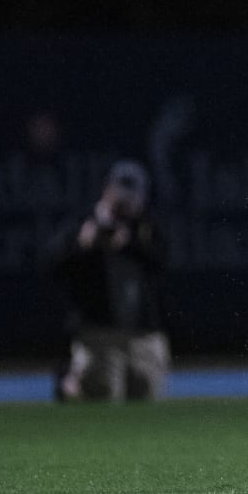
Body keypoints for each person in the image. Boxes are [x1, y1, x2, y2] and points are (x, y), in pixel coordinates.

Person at [44, 160, 171, 402]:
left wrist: (129, 244)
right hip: (99, 334)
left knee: (147, 400)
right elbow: (52, 265)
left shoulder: (147, 228)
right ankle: (70, 384)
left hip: (143, 335)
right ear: (107, 189)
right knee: (102, 396)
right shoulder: (84, 223)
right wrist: (82, 246)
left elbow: (162, 261)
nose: (124, 204)